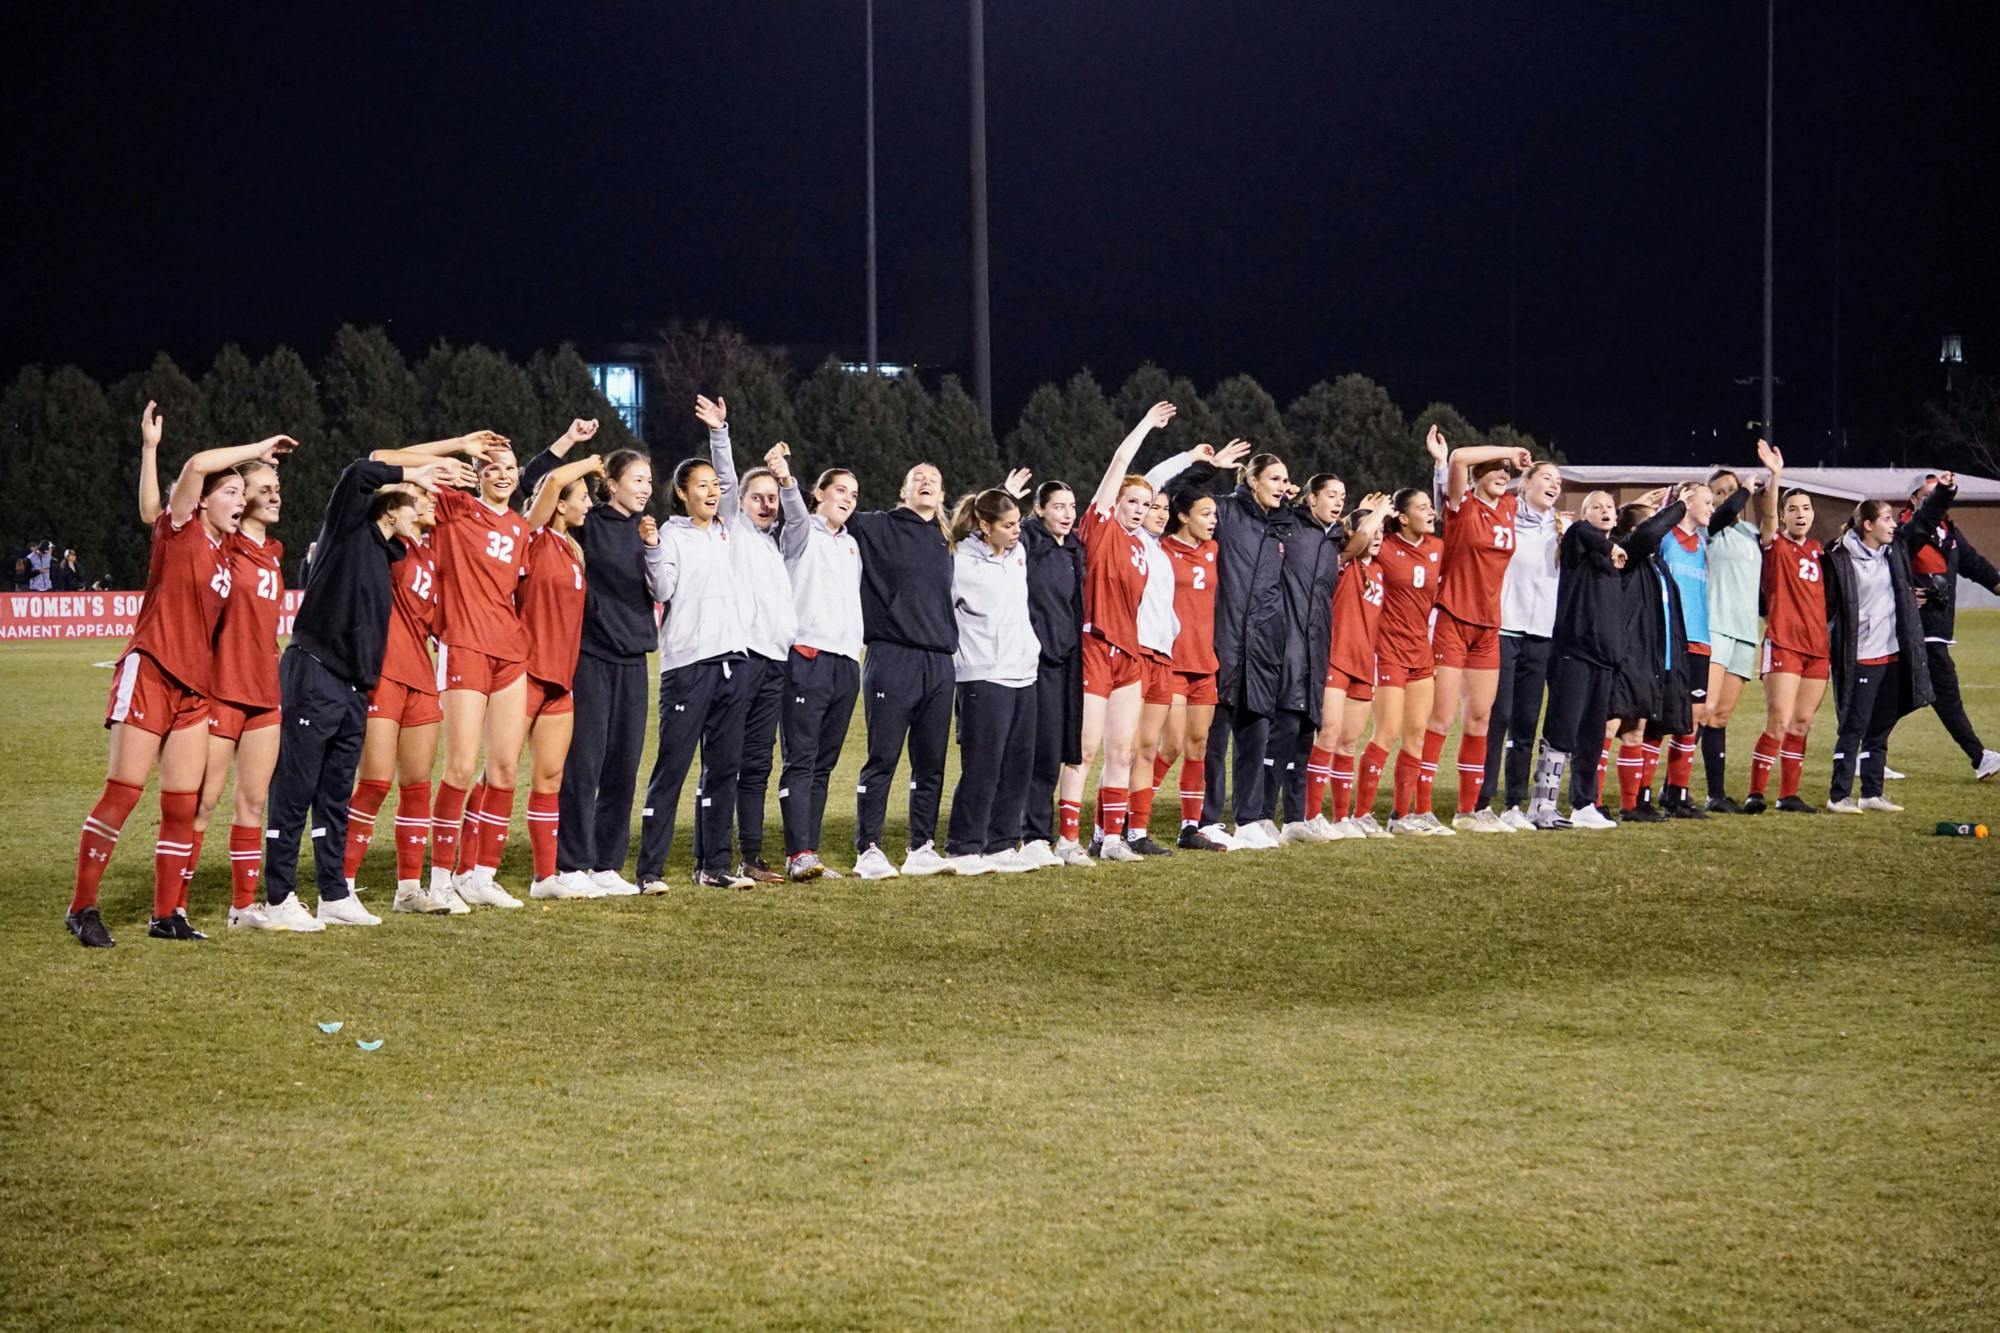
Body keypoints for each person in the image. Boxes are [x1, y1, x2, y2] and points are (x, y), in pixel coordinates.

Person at [64, 403, 292, 948]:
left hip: (195, 690)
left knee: (181, 804)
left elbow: (157, 504)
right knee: (123, 793)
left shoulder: (227, 549)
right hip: (151, 670)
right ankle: (82, 908)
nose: (242, 502)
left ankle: (167, 914)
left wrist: (255, 479)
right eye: (233, 493)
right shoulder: (182, 529)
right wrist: (254, 450)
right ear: (205, 499)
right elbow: (189, 471)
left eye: (243, 494)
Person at [255, 448, 467, 932]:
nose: (424, 505)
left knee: (333, 796)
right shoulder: (347, 533)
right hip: (314, 671)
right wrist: (414, 471)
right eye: (416, 500)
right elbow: (357, 471)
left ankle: (334, 893)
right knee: (294, 791)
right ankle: (279, 895)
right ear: (390, 507)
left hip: (353, 686)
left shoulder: (390, 552)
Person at [375, 432, 532, 908]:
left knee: (504, 769)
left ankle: (478, 875)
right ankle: (441, 878)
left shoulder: (521, 529)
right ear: (478, 474)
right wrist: (459, 449)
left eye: (509, 467)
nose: (501, 474)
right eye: (491, 467)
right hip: (464, 646)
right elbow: (383, 458)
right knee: (461, 767)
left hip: (510, 651)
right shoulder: (455, 507)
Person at [520, 423, 658, 894]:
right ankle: (572, 862)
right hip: (591, 657)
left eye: (649, 481)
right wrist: (572, 446)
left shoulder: (648, 532)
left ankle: (606, 864)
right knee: (585, 764)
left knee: (623, 765)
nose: (645, 489)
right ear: (611, 484)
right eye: (636, 479)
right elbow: (537, 482)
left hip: (635, 659)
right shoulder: (589, 523)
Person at [692, 397, 804, 884]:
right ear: (739, 501)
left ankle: (751, 857)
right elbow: (725, 476)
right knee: (724, 761)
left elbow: (799, 521)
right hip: (740, 660)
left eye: (771, 497)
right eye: (755, 495)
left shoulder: (781, 544)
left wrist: (787, 481)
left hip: (776, 662)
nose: (765, 503)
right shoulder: (734, 528)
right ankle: (710, 859)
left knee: (758, 762)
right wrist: (721, 433)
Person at [340, 482, 460, 915]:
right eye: (419, 498)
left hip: (421, 678)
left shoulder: (431, 554)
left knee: (417, 785)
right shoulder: (384, 547)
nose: (430, 503)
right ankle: (342, 887)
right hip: (383, 675)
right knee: (373, 782)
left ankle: (408, 889)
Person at [636, 455, 756, 891]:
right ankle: (650, 871)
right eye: (700, 485)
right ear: (682, 493)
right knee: (672, 769)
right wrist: (651, 548)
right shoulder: (671, 534)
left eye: (714, 485)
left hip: (733, 661)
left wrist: (720, 434)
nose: (711, 491)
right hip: (687, 666)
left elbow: (729, 473)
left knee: (724, 769)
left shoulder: (728, 531)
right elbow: (663, 589)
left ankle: (714, 866)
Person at [1070, 402, 1179, 864]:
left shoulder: (1142, 548)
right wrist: (1145, 427)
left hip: (1129, 656)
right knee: (1086, 747)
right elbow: (1119, 464)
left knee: (1123, 749)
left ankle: (1111, 838)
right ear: (1115, 504)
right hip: (1095, 646)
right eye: (1132, 502)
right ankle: (1066, 840)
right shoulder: (1099, 530)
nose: (1139, 510)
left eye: (1147, 504)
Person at [1425, 427, 1536, 834]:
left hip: (1489, 625)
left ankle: (1468, 811)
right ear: (1476, 476)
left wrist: (1518, 465)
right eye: (1492, 469)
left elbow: (1539, 482)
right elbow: (1457, 459)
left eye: (1505, 471)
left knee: (1479, 720)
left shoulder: (1508, 507)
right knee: (1440, 719)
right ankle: (1419, 810)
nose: (1501, 473)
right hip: (1453, 617)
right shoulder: (1461, 505)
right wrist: (1508, 449)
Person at [193, 459, 287, 929]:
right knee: (202, 802)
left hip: (265, 692)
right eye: (264, 489)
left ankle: (242, 907)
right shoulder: (221, 547)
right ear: (239, 495)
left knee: (252, 802)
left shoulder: (273, 551)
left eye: (277, 489)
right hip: (221, 690)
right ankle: (174, 904)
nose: (275, 496)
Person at [516, 450, 609, 898]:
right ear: (559, 504)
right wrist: (589, 461)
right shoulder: (530, 538)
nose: (589, 504)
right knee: (497, 774)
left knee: (550, 777)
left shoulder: (573, 549)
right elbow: (551, 481)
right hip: (526, 672)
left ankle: (545, 878)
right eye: (583, 497)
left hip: (561, 677)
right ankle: (468, 873)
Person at [942, 487, 1042, 874]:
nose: (1018, 531)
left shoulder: (1017, 554)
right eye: (1008, 525)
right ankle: (965, 845)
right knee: (983, 764)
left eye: (1018, 523)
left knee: (1018, 764)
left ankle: (1001, 844)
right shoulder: (959, 561)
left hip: (1023, 672)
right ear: (985, 526)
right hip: (983, 674)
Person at [1200, 448, 1295, 848]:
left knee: (1255, 733)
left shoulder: (1286, 524)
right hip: (1223, 638)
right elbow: (1177, 494)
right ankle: (1205, 818)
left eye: (1286, 479)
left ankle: (1250, 818)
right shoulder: (1223, 511)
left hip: (1264, 644)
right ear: (1252, 480)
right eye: (1275, 478)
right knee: (1214, 736)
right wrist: (1208, 467)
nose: (1283, 486)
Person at [778, 464, 865, 880]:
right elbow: (792, 511)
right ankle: (797, 852)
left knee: (824, 763)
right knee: (802, 758)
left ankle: (807, 853)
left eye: (854, 493)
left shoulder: (851, 544)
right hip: (808, 655)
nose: (847, 498)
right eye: (840, 490)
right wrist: (786, 479)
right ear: (819, 493)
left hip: (846, 660)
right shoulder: (801, 532)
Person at [1529, 490, 1627, 830]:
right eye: (1595, 507)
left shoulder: (1615, 559)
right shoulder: (1577, 542)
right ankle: (1542, 804)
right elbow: (1581, 531)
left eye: (1609, 508)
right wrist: (1607, 544)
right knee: (1563, 728)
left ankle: (1584, 804)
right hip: (1572, 652)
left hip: (1604, 658)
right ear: (1584, 515)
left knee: (1591, 735)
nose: (1603, 511)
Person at [1477, 461, 1564, 830]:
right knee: (1497, 718)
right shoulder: (1506, 514)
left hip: (1542, 634)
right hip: (1505, 628)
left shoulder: (1563, 527)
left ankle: (1515, 802)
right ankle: (1480, 801)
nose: (1554, 485)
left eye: (1558, 481)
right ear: (1525, 483)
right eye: (1546, 477)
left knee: (1526, 723)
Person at [1899, 472, 2000, 781]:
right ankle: (1980, 756)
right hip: (1918, 629)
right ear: (1914, 500)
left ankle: (1863, 750)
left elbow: (1975, 566)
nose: (1936, 501)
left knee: (1902, 695)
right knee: (1945, 692)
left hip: (1938, 629)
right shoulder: (1906, 531)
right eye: (1929, 495)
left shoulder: (1948, 533)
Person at [1302, 493, 1392, 838]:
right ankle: (1310, 815)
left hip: (1362, 663)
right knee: (1328, 734)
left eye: (1383, 529)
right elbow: (1357, 542)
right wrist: (1375, 514)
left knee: (1349, 743)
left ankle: (1342, 818)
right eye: (1372, 530)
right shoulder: (1342, 562)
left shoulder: (1380, 571)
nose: (1377, 534)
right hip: (1335, 658)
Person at [1745, 449, 1828, 814]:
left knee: (1802, 722)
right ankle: (1756, 793)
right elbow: (1765, 515)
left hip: (1817, 648)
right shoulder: (1775, 545)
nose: (1800, 514)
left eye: (1806, 508)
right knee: (1778, 721)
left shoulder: (1817, 551)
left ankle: (1788, 795)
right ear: (1783, 515)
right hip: (1784, 643)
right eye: (1792, 509)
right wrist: (1775, 476)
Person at [1268, 474, 1350, 844]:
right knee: (1281, 732)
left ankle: (1295, 818)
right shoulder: (1289, 527)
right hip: (1286, 643)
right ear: (1311, 498)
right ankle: (1262, 816)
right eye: (1330, 495)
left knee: (1305, 734)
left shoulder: (1332, 541)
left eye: (1342, 496)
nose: (1337, 501)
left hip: (1317, 646)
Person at [1012, 477, 1087, 868]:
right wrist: (1006, 496)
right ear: (1039, 509)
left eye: (1072, 506)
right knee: (1027, 750)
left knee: (1051, 752)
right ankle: (1022, 833)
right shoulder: (1025, 541)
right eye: (1058, 506)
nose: (1067, 513)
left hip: (1064, 662)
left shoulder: (1074, 549)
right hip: (1029, 663)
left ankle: (1036, 834)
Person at [1701, 446, 1779, 811]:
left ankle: (1715, 795)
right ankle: (1675, 789)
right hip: (1715, 627)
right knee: (1701, 711)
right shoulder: (1710, 529)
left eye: (1728, 489)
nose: (1725, 496)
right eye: (1718, 491)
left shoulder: (1749, 532)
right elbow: (1726, 511)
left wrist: (1774, 476)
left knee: (1720, 716)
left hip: (1744, 631)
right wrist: (1744, 488)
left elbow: (1770, 520)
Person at [1605, 489, 1688, 824]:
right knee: (1608, 728)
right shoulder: (1627, 552)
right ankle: (1590, 801)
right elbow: (1652, 531)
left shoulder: (1656, 564)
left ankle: (1631, 804)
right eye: (1652, 518)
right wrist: (1680, 503)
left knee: (1636, 730)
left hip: (1651, 656)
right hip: (1626, 653)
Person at [1368, 488, 1446, 835]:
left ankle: (1401, 816)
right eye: (1422, 508)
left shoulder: (1437, 548)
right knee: (1385, 732)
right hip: (1388, 652)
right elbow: (1352, 545)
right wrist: (1368, 514)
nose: (1431, 513)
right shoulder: (1383, 546)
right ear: (1402, 517)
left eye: (1431, 507)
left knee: (1416, 735)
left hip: (1421, 653)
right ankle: (1360, 815)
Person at [1654, 480, 1733, 818]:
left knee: (1695, 716)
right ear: (1687, 502)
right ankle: (1640, 794)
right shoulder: (1665, 538)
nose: (1712, 508)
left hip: (1700, 637)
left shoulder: (1702, 541)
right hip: (1671, 639)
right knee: (1658, 720)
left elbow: (1725, 514)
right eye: (1706, 501)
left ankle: (1677, 793)